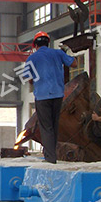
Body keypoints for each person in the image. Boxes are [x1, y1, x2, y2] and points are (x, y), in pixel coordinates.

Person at [26, 31, 77, 163]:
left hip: (42, 96)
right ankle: (52, 155)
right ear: (48, 43)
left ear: (35, 45)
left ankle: (50, 158)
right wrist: (68, 52)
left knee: (46, 127)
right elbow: (74, 64)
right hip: (58, 94)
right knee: (54, 126)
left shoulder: (32, 58)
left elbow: (29, 79)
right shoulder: (58, 53)